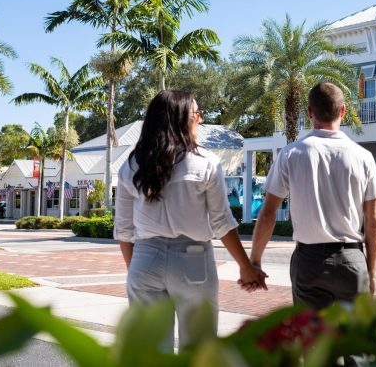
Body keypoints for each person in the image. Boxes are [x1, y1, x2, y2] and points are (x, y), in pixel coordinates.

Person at [114, 90, 267, 348]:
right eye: (197, 113)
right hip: (194, 260)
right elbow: (222, 222)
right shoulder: (205, 162)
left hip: (144, 258)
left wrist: (138, 270)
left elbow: (124, 230)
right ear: (183, 119)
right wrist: (246, 266)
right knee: (198, 352)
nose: (200, 119)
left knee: (150, 355)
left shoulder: (131, 166)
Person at [249, 82, 376, 309]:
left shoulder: (291, 154)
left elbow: (268, 213)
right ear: (342, 111)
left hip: (309, 262)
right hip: (351, 260)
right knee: (352, 339)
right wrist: (371, 272)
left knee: (311, 339)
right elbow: (373, 221)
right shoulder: (364, 157)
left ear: (310, 112)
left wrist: (255, 261)